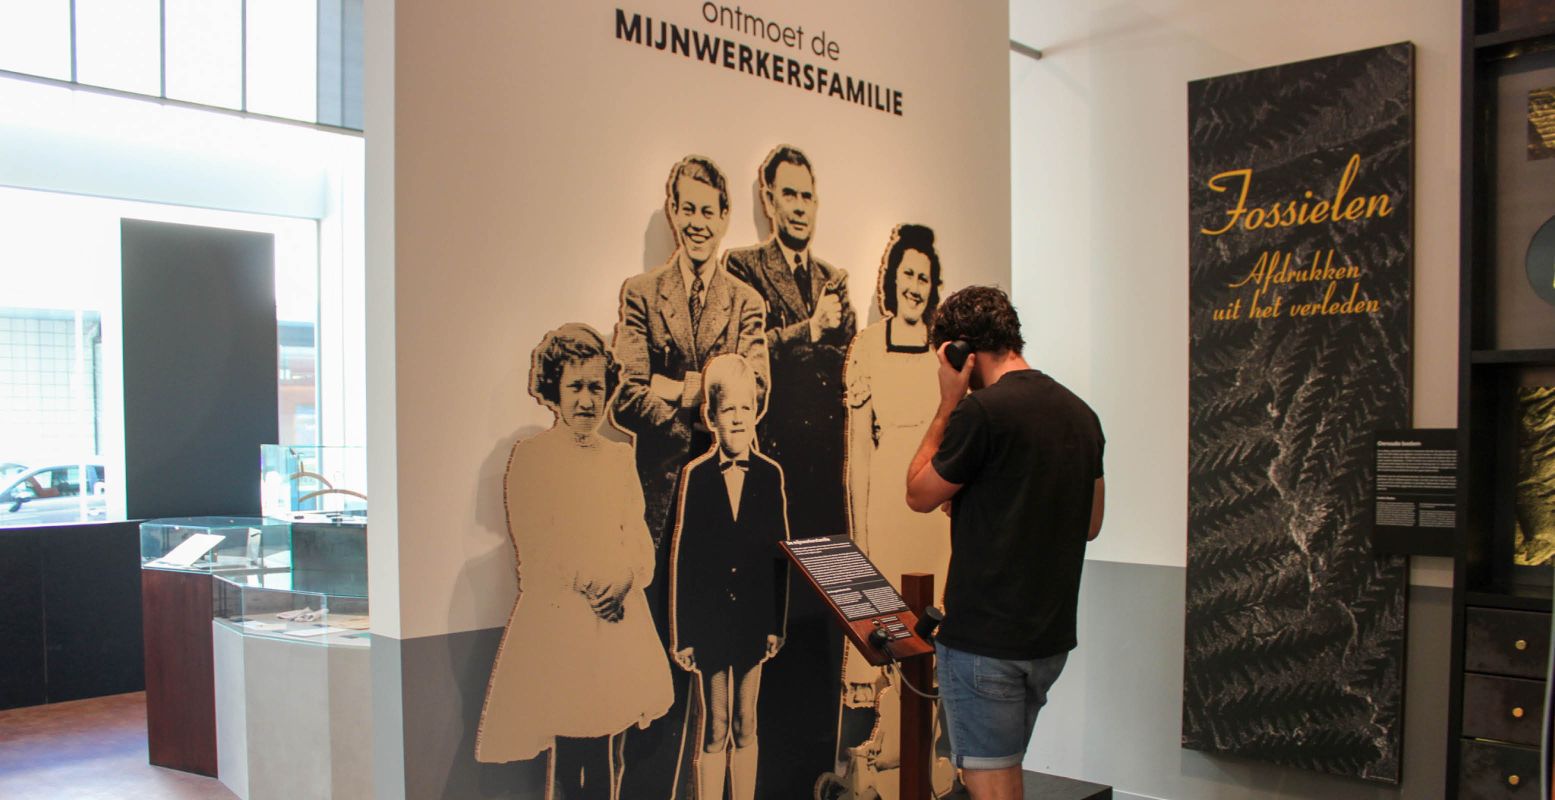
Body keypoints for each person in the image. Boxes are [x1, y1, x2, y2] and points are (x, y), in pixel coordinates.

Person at [904, 286, 1105, 800]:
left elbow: (918, 491)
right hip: (1047, 641)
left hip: (985, 646)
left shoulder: (980, 414)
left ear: (959, 352)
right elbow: (1090, 522)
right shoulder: (1081, 415)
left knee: (993, 792)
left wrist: (948, 402)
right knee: (1004, 777)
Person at [611, 155, 770, 798]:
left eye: (710, 210)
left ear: (726, 217)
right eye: (688, 208)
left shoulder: (747, 303)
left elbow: (754, 391)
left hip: (724, 527)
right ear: (673, 212)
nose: (698, 222)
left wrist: (674, 387)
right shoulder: (641, 294)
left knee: (723, 688)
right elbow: (625, 394)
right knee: (654, 686)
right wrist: (698, 394)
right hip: (655, 517)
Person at [475, 323, 674, 800]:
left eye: (596, 388)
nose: (587, 401)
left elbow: (637, 537)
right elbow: (536, 549)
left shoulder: (620, 457)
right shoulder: (532, 457)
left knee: (608, 746)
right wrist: (592, 587)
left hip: (616, 621)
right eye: (575, 387)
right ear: (553, 390)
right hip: (561, 620)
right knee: (568, 750)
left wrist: (623, 581)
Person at [670, 353, 790, 800]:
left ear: (756, 410)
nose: (737, 419)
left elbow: (783, 556)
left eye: (745, 408)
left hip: (755, 620)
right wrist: (684, 635)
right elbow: (686, 558)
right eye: (727, 410)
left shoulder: (770, 476)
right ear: (711, 417)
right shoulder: (696, 476)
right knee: (715, 723)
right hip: (712, 623)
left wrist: (777, 624)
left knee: (746, 722)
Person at [725, 144, 856, 540]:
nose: (799, 208)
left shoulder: (833, 278)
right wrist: (810, 331)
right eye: (789, 194)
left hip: (830, 456)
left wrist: (791, 345)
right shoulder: (743, 266)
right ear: (768, 200)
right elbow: (744, 356)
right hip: (776, 451)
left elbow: (847, 360)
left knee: (831, 576)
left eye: (807, 197)